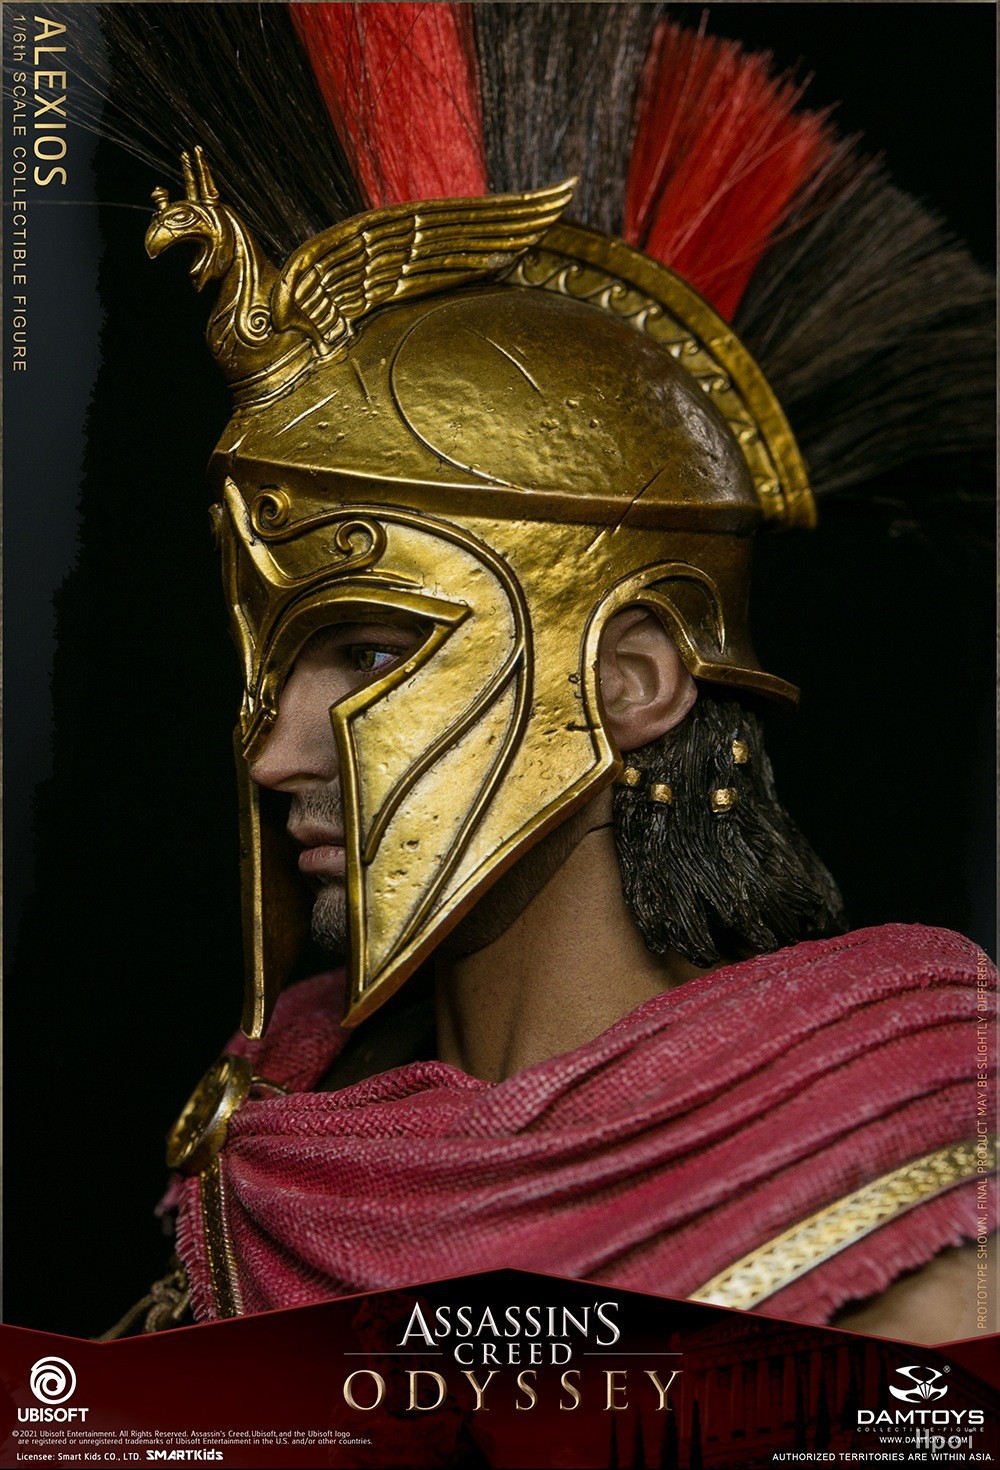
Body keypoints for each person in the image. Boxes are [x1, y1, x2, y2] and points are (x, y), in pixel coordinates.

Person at [87, 3, 993, 1343]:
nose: (276, 753)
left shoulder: (893, 1150)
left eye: (370, 649)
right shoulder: (276, 1160)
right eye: (277, 670)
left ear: (633, 679)